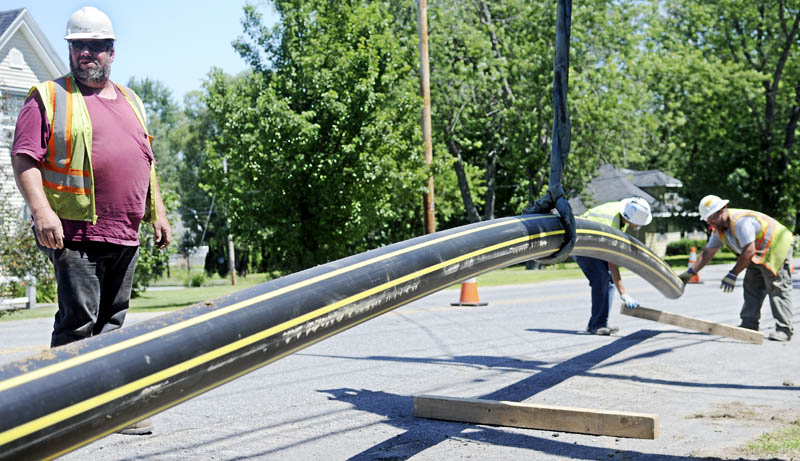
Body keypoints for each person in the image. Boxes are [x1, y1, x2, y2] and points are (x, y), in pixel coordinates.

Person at [10, 6, 170, 434]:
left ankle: (112, 410)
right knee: (79, 321)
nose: (87, 54)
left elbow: (145, 159)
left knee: (113, 324)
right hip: (74, 231)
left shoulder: (132, 100)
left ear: (111, 52)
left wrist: (159, 212)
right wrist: (42, 211)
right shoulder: (47, 96)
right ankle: (57, 414)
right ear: (71, 49)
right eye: (79, 46)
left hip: (124, 232)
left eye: (95, 46)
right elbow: (24, 157)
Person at [679, 195, 794, 342]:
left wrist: (733, 274)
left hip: (776, 246)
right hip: (756, 252)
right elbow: (708, 253)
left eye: (711, 217)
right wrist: (689, 274)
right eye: (707, 218)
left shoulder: (741, 222)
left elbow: (749, 250)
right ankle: (749, 325)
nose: (709, 221)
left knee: (777, 287)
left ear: (723, 210)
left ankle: (784, 329)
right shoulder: (719, 230)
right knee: (752, 286)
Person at [575, 197, 652, 335]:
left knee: (608, 281)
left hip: (594, 244)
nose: (638, 227)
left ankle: (598, 322)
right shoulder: (611, 223)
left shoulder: (624, 213)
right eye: (638, 223)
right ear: (631, 219)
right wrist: (624, 294)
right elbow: (613, 261)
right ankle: (597, 325)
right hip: (582, 244)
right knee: (601, 278)